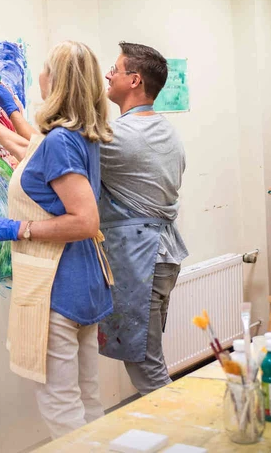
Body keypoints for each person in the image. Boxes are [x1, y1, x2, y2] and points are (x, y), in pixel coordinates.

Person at [0, 41, 114, 439]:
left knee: (62, 408)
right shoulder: (78, 134)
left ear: (57, 81)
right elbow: (31, 153)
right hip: (83, 283)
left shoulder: (61, 141)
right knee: (88, 397)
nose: (39, 76)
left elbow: (85, 221)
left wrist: (18, 229)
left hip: (59, 286)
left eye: (45, 69)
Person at [97, 42, 188, 396]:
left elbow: (46, 153)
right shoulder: (165, 129)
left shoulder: (120, 136)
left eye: (114, 69)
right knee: (149, 361)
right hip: (162, 256)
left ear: (134, 80)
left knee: (148, 370)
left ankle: (184, 428)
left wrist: (0, 116)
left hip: (143, 259)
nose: (108, 75)